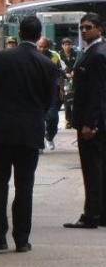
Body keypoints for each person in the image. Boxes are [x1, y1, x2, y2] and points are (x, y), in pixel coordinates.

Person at [0, 16, 59, 253]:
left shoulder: (2, 57)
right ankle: (22, 239)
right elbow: (47, 102)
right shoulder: (47, 64)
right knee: (25, 186)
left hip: (1, 131)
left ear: (21, 33)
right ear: (38, 35)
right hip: (29, 132)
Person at [63, 13, 106, 229]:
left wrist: (91, 123)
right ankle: (100, 213)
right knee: (98, 168)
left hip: (92, 122)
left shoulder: (97, 54)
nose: (83, 31)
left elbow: (97, 92)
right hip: (92, 120)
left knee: (92, 169)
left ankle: (91, 215)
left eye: (88, 27)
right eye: (81, 27)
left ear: (99, 29)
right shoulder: (93, 51)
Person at [37, 37, 65, 151]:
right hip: (36, 92)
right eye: (40, 46)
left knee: (52, 117)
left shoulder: (54, 56)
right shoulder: (33, 55)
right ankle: (39, 143)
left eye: (45, 46)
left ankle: (49, 137)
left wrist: (62, 89)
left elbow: (60, 73)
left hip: (51, 91)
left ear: (48, 46)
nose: (42, 49)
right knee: (37, 119)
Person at [59, 37, 80, 129]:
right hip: (64, 80)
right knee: (67, 102)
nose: (67, 46)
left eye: (69, 44)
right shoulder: (60, 55)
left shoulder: (76, 54)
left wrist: (74, 71)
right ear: (62, 46)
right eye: (65, 45)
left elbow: (78, 63)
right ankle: (68, 121)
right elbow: (59, 66)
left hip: (75, 80)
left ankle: (75, 120)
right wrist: (66, 73)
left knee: (76, 101)